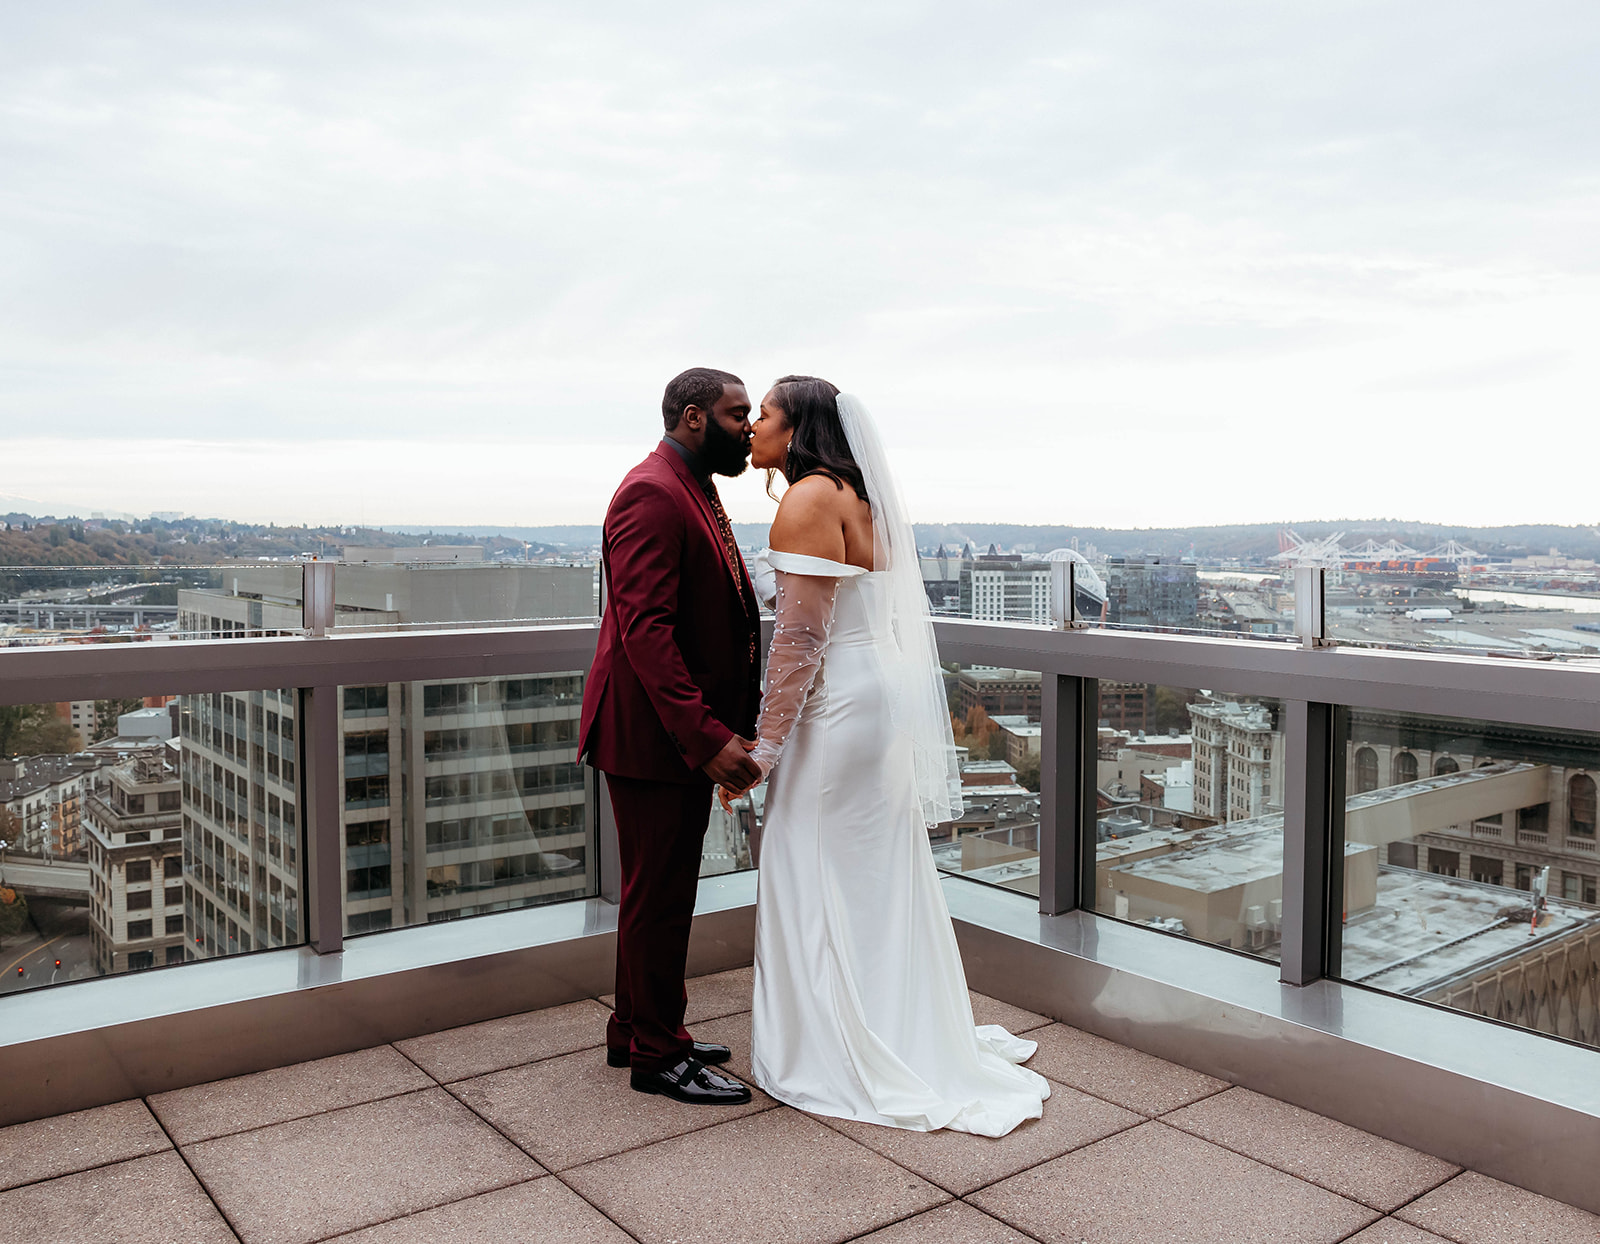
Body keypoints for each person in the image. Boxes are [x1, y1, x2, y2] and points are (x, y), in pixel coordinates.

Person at [725, 375, 1050, 1135]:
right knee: (869, 873)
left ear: (798, 427)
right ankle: (896, 1024)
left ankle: (835, 1047)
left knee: (810, 865)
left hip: (835, 701)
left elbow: (802, 640)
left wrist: (764, 748)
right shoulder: (858, 498)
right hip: (873, 692)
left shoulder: (808, 498)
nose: (752, 429)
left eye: (764, 415)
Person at [578, 366, 763, 1105]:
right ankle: (661, 1054)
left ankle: (636, 1030)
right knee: (659, 901)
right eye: (736, 412)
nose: (748, 426)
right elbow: (645, 633)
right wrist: (707, 737)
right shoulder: (653, 491)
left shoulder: (692, 483)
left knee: (651, 896)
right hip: (653, 740)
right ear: (694, 417)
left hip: (666, 737)